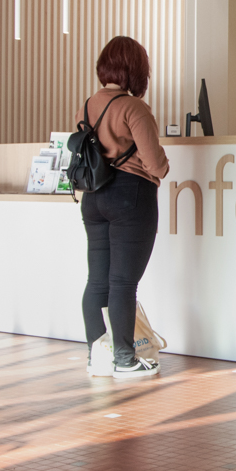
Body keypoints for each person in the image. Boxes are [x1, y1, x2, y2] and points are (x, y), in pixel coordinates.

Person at [81, 36, 170, 378]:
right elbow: (156, 164)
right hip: (131, 196)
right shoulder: (134, 108)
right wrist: (162, 164)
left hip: (93, 197)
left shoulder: (88, 105)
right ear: (136, 69)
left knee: (97, 281)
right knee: (122, 283)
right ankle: (124, 359)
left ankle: (98, 356)